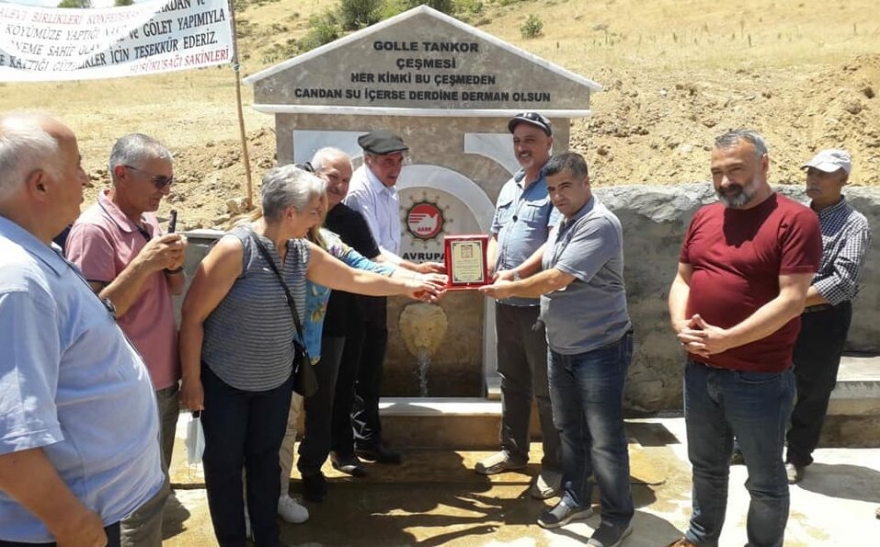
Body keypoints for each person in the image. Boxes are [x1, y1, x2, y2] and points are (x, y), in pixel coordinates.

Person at [179, 165, 439, 547]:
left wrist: (411, 285)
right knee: (225, 470)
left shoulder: (302, 251)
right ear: (290, 213)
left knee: (268, 466)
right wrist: (193, 381)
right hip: (225, 385)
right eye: (315, 210)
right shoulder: (236, 249)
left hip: (275, 382)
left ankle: (268, 539)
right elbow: (191, 316)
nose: (322, 216)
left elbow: (356, 278)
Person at [0, 112, 164, 546]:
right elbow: (9, 441)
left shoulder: (33, 253)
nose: (87, 177)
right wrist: (71, 523)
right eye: (76, 165)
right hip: (55, 527)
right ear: (39, 184)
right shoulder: (16, 281)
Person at [666, 129, 822, 547]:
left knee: (765, 479)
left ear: (765, 164)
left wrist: (728, 339)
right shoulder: (704, 217)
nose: (724, 182)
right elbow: (683, 279)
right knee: (705, 466)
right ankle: (700, 538)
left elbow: (792, 299)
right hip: (700, 371)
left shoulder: (794, 220)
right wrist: (681, 325)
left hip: (759, 379)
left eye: (736, 170)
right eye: (717, 172)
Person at [482, 152, 634, 547]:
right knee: (569, 428)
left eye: (565, 186)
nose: (557, 195)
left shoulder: (598, 224)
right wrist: (514, 272)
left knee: (604, 436)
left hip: (599, 346)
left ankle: (618, 515)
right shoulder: (565, 223)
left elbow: (558, 277)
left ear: (585, 182)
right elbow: (545, 258)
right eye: (551, 189)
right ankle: (577, 497)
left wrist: (509, 288)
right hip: (561, 344)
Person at [65, 133, 186, 545]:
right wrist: (145, 263)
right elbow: (91, 315)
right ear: (121, 174)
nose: (165, 191)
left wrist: (170, 265)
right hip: (125, 387)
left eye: (169, 181)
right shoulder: (92, 231)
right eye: (158, 181)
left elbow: (172, 290)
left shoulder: (147, 222)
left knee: (154, 489)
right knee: (133, 501)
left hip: (160, 377)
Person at [342, 131, 445, 465]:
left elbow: (385, 250)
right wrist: (414, 276)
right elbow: (373, 253)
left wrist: (412, 269)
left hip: (380, 283)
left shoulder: (386, 189)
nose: (395, 167)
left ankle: (367, 438)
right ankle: (355, 442)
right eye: (388, 161)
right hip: (360, 287)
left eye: (399, 161)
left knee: (370, 366)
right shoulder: (360, 192)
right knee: (357, 368)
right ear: (368, 159)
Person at [475, 112, 563, 501]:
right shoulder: (510, 187)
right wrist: (489, 268)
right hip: (506, 302)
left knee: (546, 388)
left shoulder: (555, 187)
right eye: (517, 141)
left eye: (530, 139)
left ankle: (556, 466)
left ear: (549, 142)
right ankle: (513, 452)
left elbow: (552, 243)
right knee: (511, 379)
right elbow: (495, 235)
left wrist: (514, 276)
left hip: (537, 303)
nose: (522, 147)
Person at [784, 149, 871, 483]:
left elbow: (843, 281)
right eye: (811, 173)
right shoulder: (791, 214)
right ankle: (751, 446)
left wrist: (787, 301)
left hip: (821, 317)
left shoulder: (853, 223)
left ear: (843, 180)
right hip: (783, 310)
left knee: (813, 389)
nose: (814, 179)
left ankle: (797, 456)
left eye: (823, 174)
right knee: (766, 380)